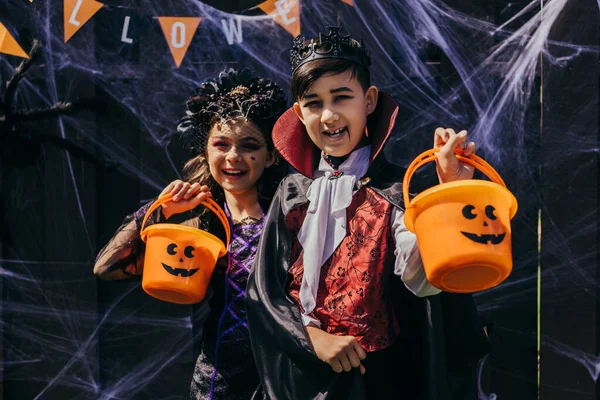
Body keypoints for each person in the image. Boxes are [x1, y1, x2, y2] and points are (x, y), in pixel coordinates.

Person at [246, 26, 490, 399]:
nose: (328, 115)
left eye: (341, 97)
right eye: (313, 103)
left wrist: (447, 193)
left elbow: (423, 281)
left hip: (377, 382)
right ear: (298, 112)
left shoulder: (397, 192)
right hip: (302, 378)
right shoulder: (292, 193)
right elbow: (264, 291)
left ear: (369, 100)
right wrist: (311, 337)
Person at [93, 68, 288, 400]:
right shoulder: (200, 228)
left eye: (249, 145)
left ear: (270, 155)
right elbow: (105, 268)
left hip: (285, 376)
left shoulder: (292, 216)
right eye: (221, 144)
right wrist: (157, 211)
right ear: (206, 152)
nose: (233, 157)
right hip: (218, 383)